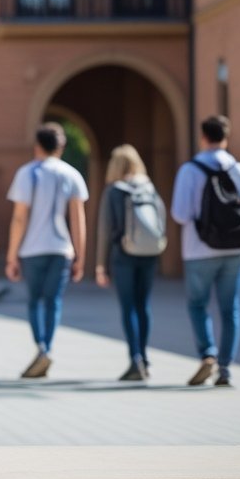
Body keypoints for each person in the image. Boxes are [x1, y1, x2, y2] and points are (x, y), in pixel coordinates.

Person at [5, 122, 89, 379]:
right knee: (54, 302)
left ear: (37, 146)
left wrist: (11, 256)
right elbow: (78, 220)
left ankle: (41, 347)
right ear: (61, 146)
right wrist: (80, 257)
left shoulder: (27, 173)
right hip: (61, 249)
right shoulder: (71, 174)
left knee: (34, 301)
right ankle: (48, 347)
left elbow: (19, 218)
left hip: (32, 249)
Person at [170, 115, 240, 388]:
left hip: (198, 249)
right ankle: (225, 368)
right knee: (231, 309)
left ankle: (208, 354)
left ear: (203, 136)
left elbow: (180, 214)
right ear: (226, 137)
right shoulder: (238, 169)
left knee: (198, 304)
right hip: (234, 249)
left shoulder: (190, 170)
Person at [95, 144, 167, 381]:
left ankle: (135, 358)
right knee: (143, 306)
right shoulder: (149, 187)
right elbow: (161, 219)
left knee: (128, 308)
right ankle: (145, 358)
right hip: (149, 254)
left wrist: (100, 265)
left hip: (123, 255)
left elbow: (105, 230)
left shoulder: (114, 190)